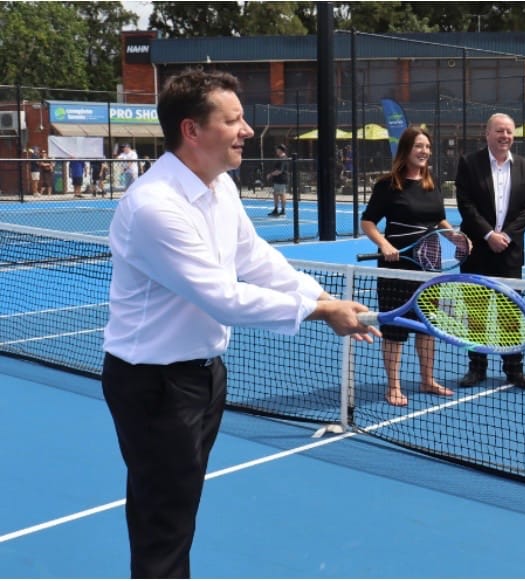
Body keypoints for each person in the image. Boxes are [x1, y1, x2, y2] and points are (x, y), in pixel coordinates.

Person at [101, 68, 379, 578]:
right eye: (232, 120)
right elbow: (223, 297)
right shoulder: (154, 207)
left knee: (176, 512)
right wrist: (321, 312)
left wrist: (320, 295)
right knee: (164, 525)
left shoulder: (221, 187)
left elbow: (255, 259)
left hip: (204, 376)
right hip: (154, 386)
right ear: (192, 130)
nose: (247, 130)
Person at [360, 126, 461, 406]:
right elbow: (368, 221)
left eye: (427, 147)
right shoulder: (387, 185)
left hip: (429, 265)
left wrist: (453, 235)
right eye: (418, 146)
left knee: (427, 326)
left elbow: (437, 219)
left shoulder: (432, 183)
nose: (424, 151)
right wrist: (384, 244)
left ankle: (427, 380)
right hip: (396, 268)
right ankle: (393, 386)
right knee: (395, 329)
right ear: (406, 150)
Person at [454, 112, 525, 390]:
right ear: (487, 133)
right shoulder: (469, 163)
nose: (505, 136)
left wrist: (507, 236)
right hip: (477, 251)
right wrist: (488, 235)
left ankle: (514, 369)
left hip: (510, 254)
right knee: (475, 314)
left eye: (509, 131)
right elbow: (465, 204)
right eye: (499, 131)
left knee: (511, 314)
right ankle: (476, 368)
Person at [266, 144, 290, 216]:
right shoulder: (280, 158)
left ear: (280, 150)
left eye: (277, 149)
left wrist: (270, 174)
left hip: (281, 179)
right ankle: (276, 209)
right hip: (277, 180)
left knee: (282, 194)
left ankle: (283, 210)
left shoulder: (283, 158)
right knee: (275, 194)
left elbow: (279, 171)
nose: (276, 150)